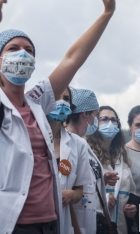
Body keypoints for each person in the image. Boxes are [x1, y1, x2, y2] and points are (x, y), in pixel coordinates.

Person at [0, 0, 116, 233]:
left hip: (49, 222)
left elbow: (72, 59)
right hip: (8, 225)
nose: (22, 54)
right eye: (13, 49)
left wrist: (106, 14)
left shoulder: (36, 101)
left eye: (29, 51)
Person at [66, 88, 113, 234]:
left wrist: (100, 180)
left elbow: (83, 180)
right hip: (76, 224)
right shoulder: (66, 144)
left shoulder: (82, 144)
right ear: (85, 114)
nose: (95, 121)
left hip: (94, 220)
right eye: (95, 115)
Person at [48, 87, 94, 234]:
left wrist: (72, 195)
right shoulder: (29, 137)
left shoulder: (78, 144)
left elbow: (80, 190)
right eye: (56, 96)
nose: (61, 102)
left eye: (66, 99)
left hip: (62, 221)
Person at [87, 106, 137, 234]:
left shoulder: (122, 155)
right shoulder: (86, 153)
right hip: (96, 225)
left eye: (114, 120)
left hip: (120, 226)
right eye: (104, 119)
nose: (110, 123)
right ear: (95, 123)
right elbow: (80, 190)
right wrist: (102, 199)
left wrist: (131, 208)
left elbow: (130, 191)